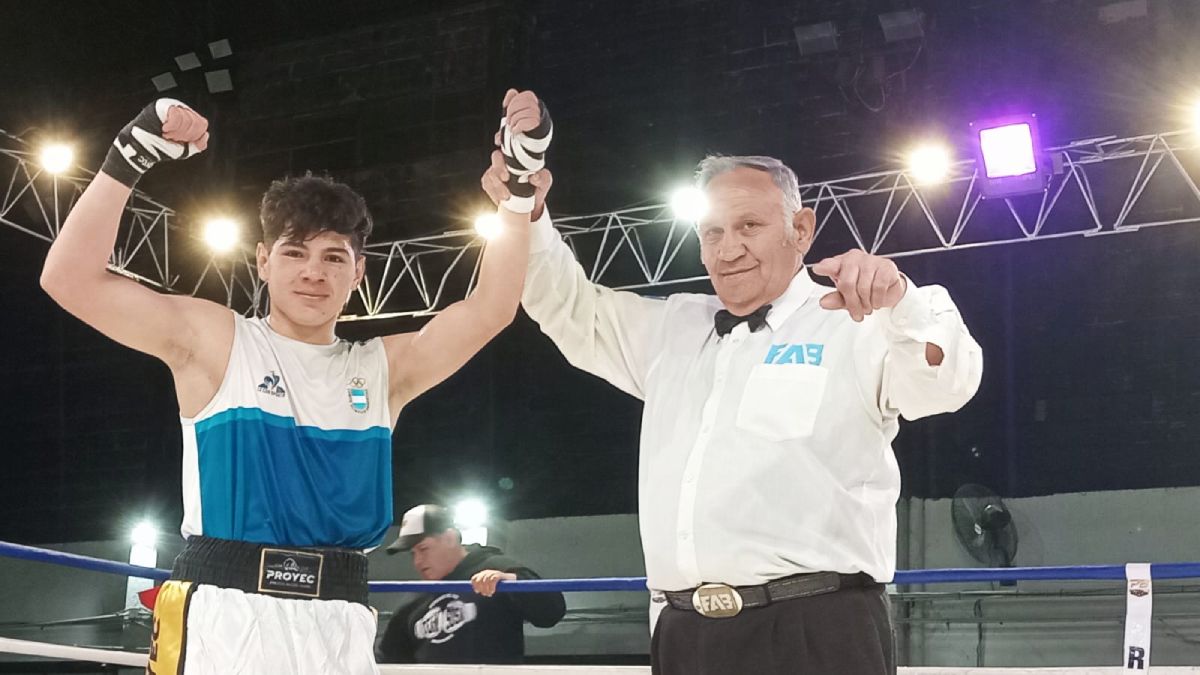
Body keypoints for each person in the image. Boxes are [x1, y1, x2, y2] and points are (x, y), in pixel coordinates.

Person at [39, 92, 552, 674]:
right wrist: (131, 154)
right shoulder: (217, 342)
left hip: (340, 617)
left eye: (334, 257)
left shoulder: (382, 369)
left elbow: (490, 310)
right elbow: (70, 279)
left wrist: (517, 195)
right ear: (263, 260)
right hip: (227, 612)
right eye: (295, 252)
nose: (313, 271)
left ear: (358, 272)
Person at [485, 91, 983, 675]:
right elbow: (566, 306)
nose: (729, 249)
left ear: (801, 228)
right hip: (683, 633)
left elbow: (948, 383)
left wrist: (901, 300)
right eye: (712, 232)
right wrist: (524, 206)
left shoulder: (856, 321)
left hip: (816, 629)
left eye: (749, 225)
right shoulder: (673, 328)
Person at [376, 504, 566, 664]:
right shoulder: (413, 602)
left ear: (450, 539)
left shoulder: (496, 567)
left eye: (423, 549)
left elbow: (552, 611)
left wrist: (510, 581)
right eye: (413, 554)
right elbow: (387, 659)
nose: (417, 561)